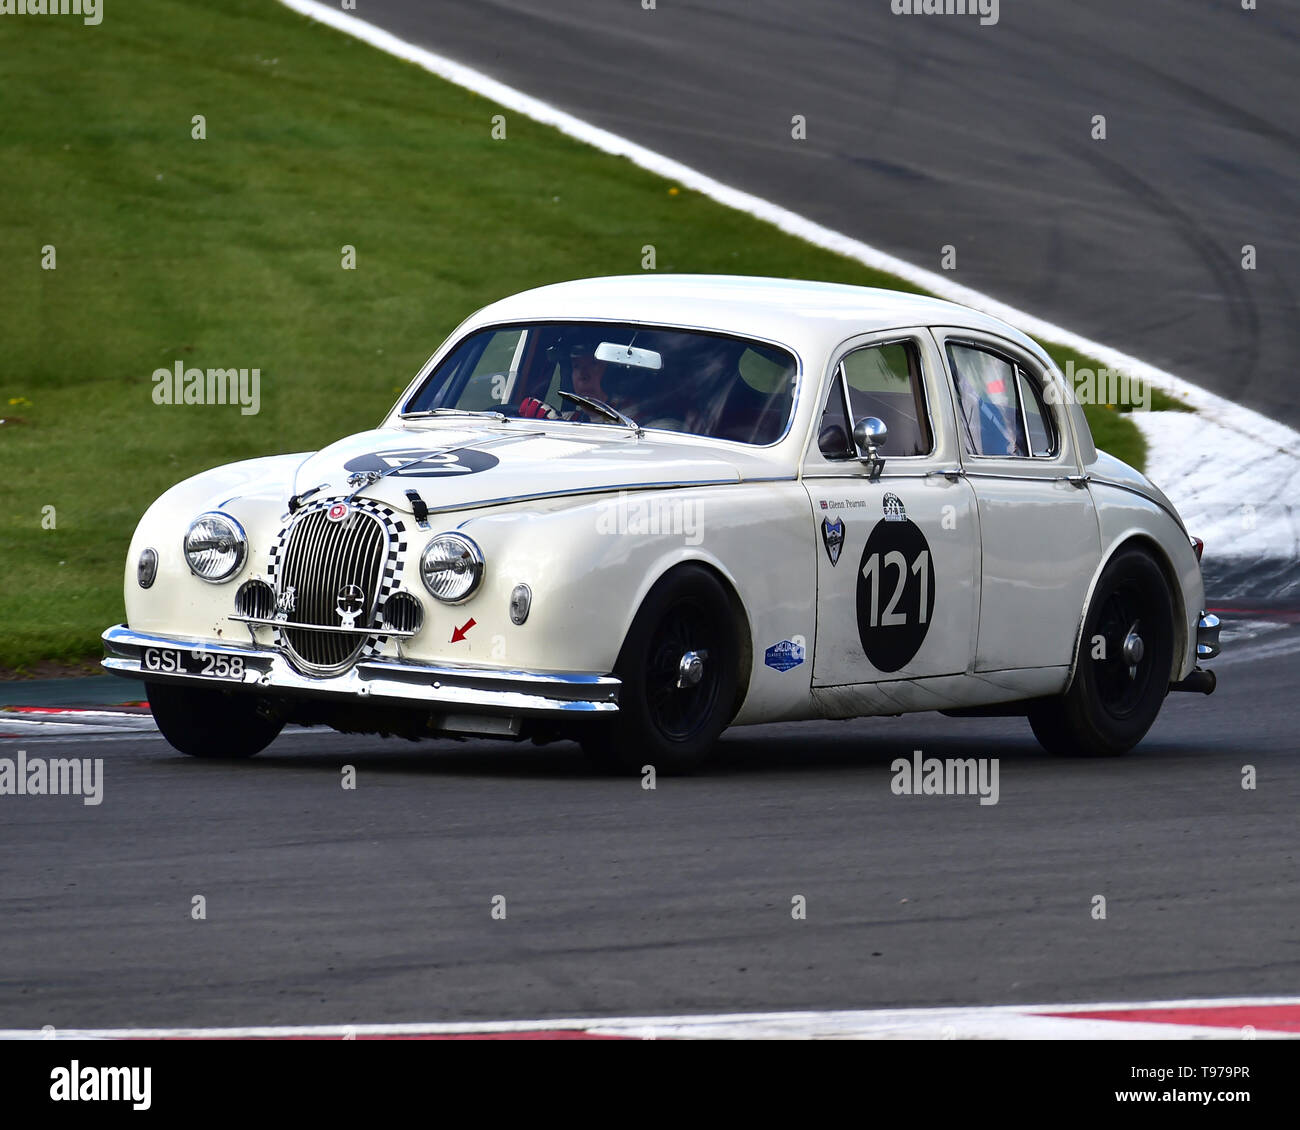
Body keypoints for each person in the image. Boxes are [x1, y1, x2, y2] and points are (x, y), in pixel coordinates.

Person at [518, 340, 611, 420]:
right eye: (576, 366)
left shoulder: (624, 424)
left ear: (613, 373)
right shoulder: (573, 419)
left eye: (593, 365)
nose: (583, 375)